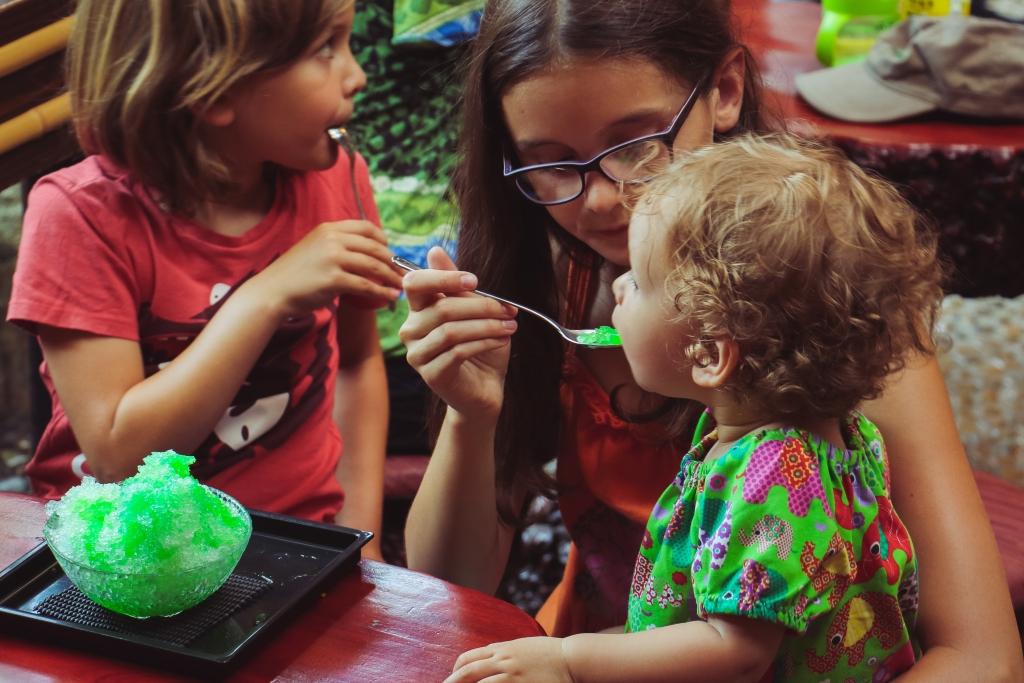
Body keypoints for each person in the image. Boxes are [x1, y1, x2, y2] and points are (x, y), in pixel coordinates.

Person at [398, 0, 1023, 679]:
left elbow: (983, 657)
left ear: (724, 91)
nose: (602, 201)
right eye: (551, 163)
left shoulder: (827, 309)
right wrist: (471, 415)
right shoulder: (545, 275)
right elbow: (450, 589)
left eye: (635, 145)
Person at [445, 132, 938, 682]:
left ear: (708, 352)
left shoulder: (772, 476)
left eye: (639, 278)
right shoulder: (835, 436)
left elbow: (736, 650)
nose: (621, 288)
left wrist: (570, 661)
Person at [6, 0, 404, 559]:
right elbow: (120, 455)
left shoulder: (341, 179)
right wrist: (264, 296)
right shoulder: (79, 215)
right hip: (124, 560)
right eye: (325, 49)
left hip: (303, 544)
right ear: (215, 92)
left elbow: (360, 363)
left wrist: (360, 538)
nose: (356, 74)